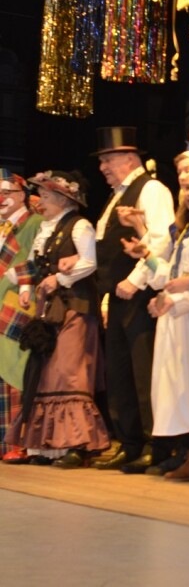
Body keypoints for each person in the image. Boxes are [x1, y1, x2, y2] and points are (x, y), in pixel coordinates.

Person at [129, 127, 189, 481]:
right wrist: (148, 257)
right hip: (180, 315)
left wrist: (174, 298)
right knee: (182, 388)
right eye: (186, 186)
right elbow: (172, 273)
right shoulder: (187, 229)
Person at [10, 171, 108, 467]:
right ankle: (47, 447)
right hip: (49, 307)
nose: (41, 201)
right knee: (46, 372)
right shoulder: (47, 228)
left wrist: (60, 280)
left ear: (64, 199)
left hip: (74, 307)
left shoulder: (80, 226)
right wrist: (27, 286)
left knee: (69, 371)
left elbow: (91, 261)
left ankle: (76, 443)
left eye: (48, 196)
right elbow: (34, 264)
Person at [91, 127, 175, 472]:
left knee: (143, 371)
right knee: (120, 372)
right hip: (119, 296)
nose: (103, 168)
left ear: (129, 159)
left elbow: (162, 238)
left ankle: (156, 444)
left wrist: (135, 280)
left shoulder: (151, 190)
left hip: (139, 294)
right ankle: (129, 442)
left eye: (108, 160)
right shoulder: (117, 195)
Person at [0, 170, 43, 461]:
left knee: (15, 373)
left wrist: (15, 275)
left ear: (22, 194)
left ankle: (18, 443)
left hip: (17, 306)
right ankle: (5, 443)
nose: (1, 199)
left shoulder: (36, 222)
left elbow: (40, 261)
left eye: (7, 192)